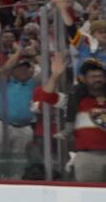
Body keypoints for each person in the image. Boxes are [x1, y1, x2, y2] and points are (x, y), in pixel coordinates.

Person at [36, 54, 106, 183]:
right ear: (83, 79)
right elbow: (45, 96)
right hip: (87, 157)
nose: (97, 79)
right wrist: (55, 75)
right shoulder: (73, 99)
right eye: (93, 77)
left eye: (100, 76)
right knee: (88, 197)